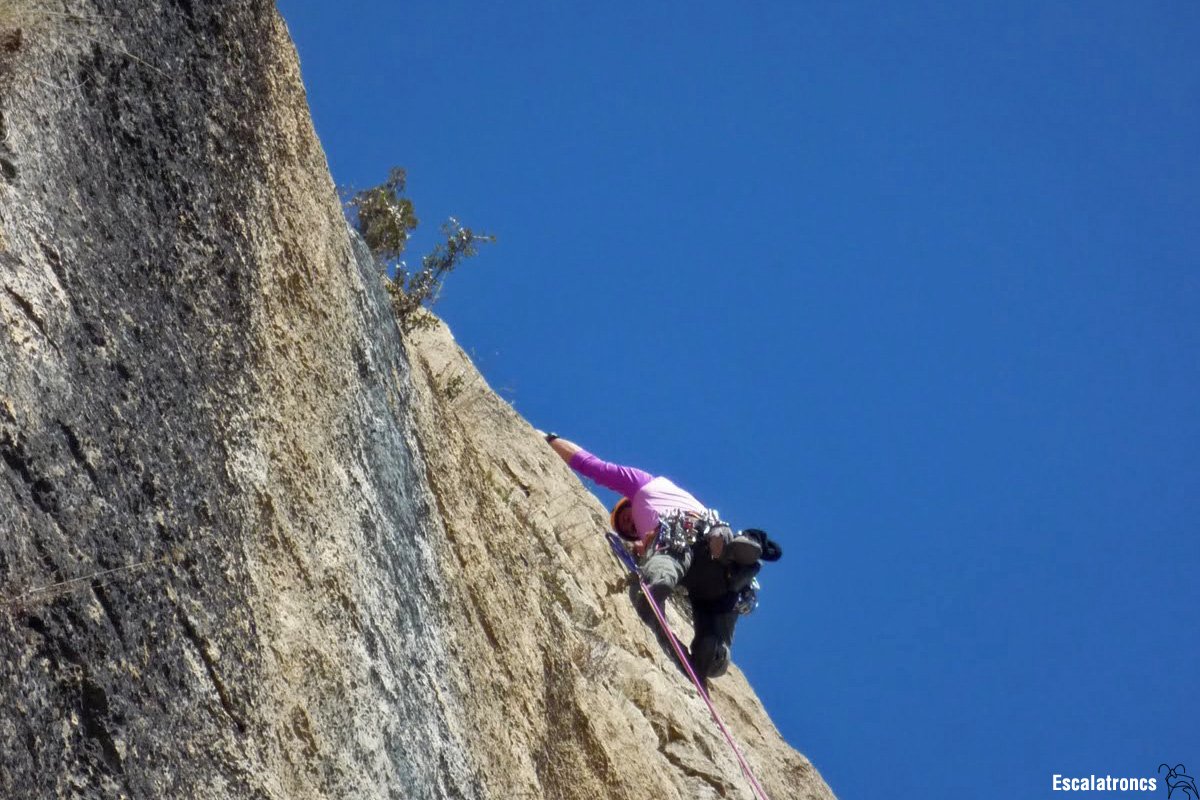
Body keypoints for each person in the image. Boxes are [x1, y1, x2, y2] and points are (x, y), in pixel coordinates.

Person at [540, 432, 777, 686]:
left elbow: (591, 465)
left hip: (688, 533)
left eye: (626, 516)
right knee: (715, 610)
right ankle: (713, 651)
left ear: (628, 503)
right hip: (713, 574)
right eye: (628, 528)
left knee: (669, 553)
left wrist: (550, 439)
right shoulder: (657, 523)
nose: (630, 524)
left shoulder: (642, 485)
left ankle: (662, 583)